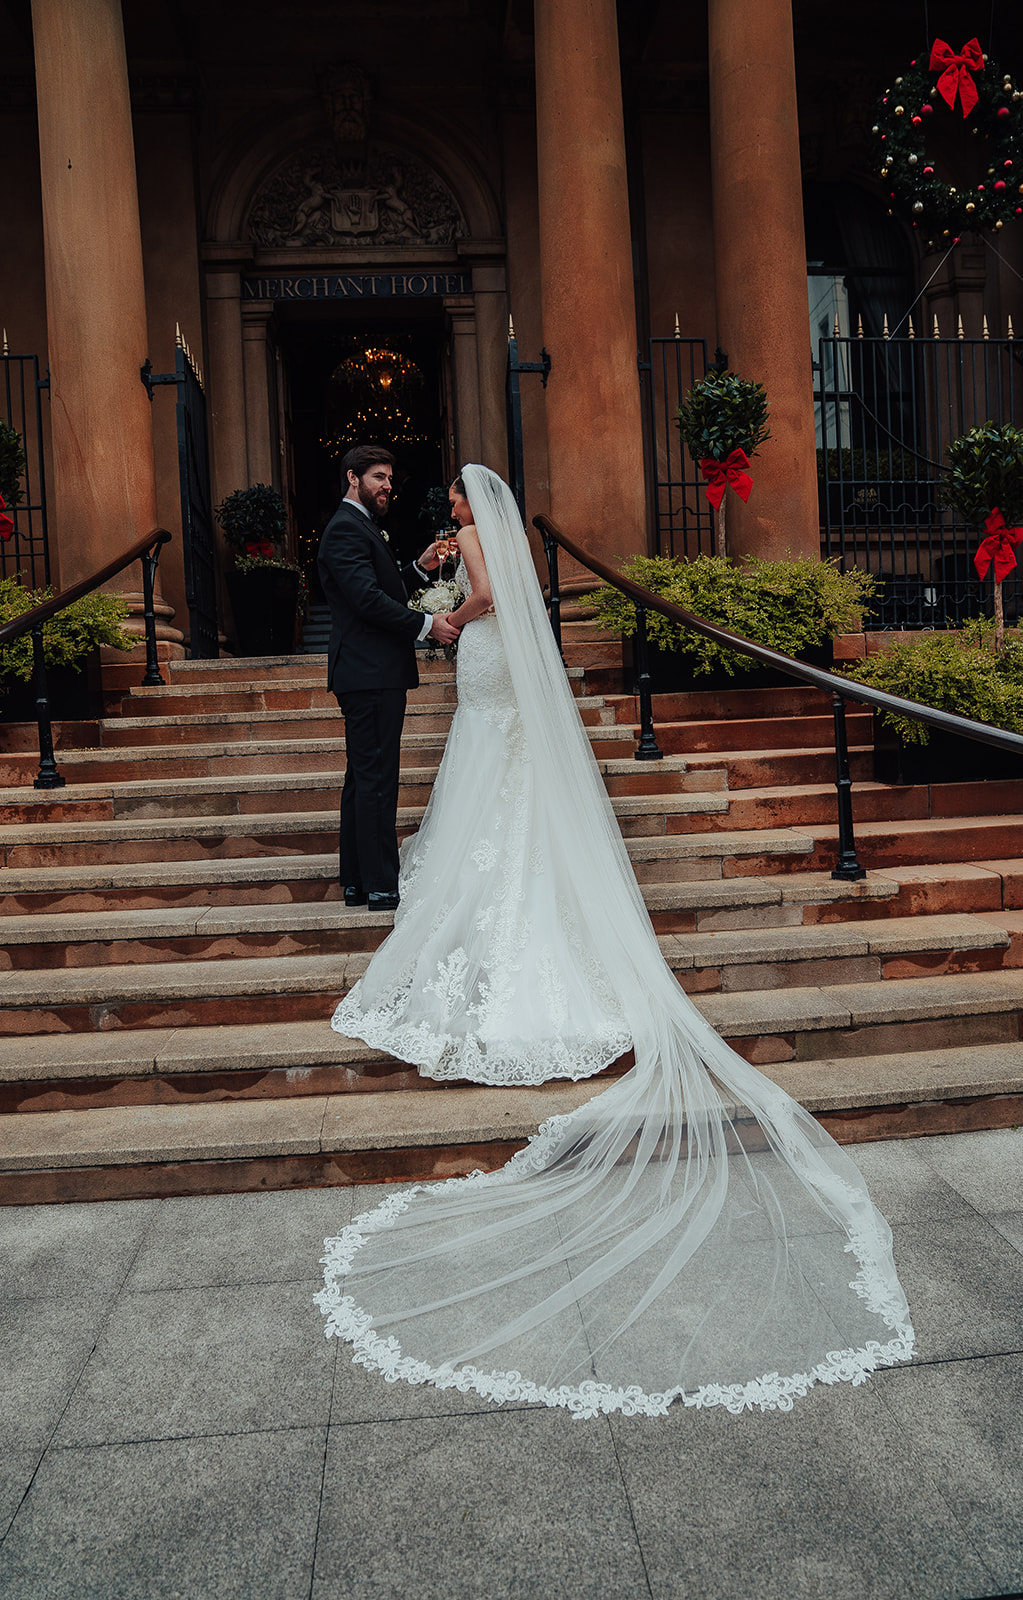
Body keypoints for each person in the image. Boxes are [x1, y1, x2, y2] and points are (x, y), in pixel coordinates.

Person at [317, 465, 914, 1419]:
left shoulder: (477, 544)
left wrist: (452, 617)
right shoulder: (498, 537)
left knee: (484, 790)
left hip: (486, 671)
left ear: (474, 503)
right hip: (503, 678)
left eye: (459, 499)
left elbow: (480, 595)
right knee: (504, 795)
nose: (452, 509)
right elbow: (498, 587)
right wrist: (446, 598)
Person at [318, 445, 459, 911]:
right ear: (353, 478)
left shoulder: (358, 526)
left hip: (370, 670)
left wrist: (419, 568)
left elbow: (381, 586)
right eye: (379, 477)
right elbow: (367, 601)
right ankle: (381, 886)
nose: (387, 486)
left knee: (364, 778)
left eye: (390, 479)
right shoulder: (344, 528)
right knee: (376, 778)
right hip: (368, 671)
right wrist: (426, 625)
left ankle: (358, 881)